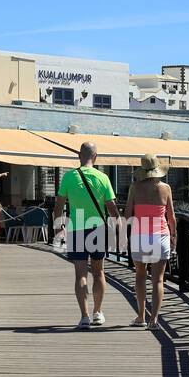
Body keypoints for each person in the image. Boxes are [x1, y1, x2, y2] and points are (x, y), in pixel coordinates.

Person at [52, 141, 119, 329]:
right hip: (98, 228)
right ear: (96, 157)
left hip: (76, 228)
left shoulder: (69, 177)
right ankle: (98, 313)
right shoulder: (103, 177)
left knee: (80, 274)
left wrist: (59, 226)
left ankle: (84, 317)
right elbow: (112, 207)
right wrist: (119, 225)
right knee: (98, 272)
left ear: (79, 156)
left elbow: (58, 205)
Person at [124, 153, 176, 329]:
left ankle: (140, 316)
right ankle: (154, 319)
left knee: (140, 276)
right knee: (158, 280)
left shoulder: (135, 187)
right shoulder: (166, 188)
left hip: (140, 236)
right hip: (161, 235)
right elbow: (171, 217)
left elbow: (127, 214)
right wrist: (174, 236)